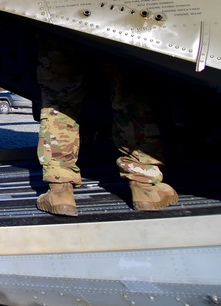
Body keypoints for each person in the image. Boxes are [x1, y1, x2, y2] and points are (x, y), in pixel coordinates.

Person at [35, 36, 178, 216]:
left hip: (59, 20)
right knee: (130, 92)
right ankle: (144, 185)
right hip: (116, 24)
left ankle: (59, 190)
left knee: (59, 100)